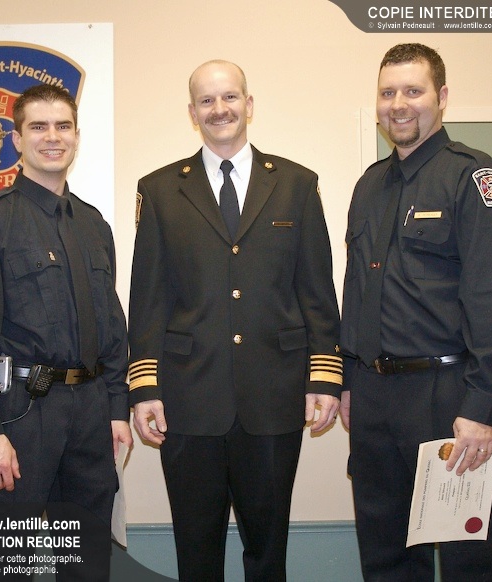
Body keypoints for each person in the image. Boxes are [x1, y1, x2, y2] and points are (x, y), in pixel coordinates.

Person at [128, 60, 343, 581]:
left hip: (274, 395)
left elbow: (317, 291)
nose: (219, 109)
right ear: (192, 112)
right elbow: (148, 297)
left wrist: (323, 377)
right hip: (187, 399)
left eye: (229, 97)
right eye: (206, 100)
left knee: (268, 551)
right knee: (195, 550)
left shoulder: (297, 184)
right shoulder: (159, 190)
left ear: (249, 104)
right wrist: (144, 386)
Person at [339, 43, 492, 581]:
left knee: (472, 563)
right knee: (387, 560)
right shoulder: (369, 186)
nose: (398, 104)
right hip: (374, 400)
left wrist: (481, 406)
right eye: (387, 92)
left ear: (441, 97)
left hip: (449, 398)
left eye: (413, 91)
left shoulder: (475, 180)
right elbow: (357, 292)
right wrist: (349, 381)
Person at [0, 83, 132, 581]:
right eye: (39, 127)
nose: (53, 137)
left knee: (88, 562)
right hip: (19, 413)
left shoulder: (94, 225)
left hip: (89, 413)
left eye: (63, 126)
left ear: (77, 136)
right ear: (17, 139)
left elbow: (112, 328)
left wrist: (117, 408)